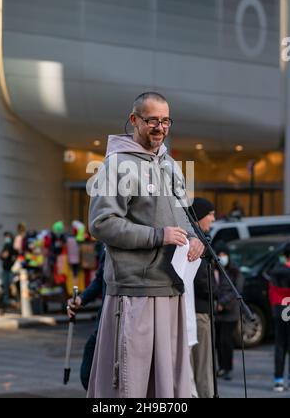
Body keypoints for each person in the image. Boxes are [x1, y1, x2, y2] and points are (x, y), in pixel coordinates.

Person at [87, 92, 204, 398]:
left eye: (165, 120)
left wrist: (194, 239)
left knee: (168, 388)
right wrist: (158, 236)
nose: (159, 127)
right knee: (130, 386)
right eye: (151, 119)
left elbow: (184, 215)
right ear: (134, 120)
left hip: (172, 287)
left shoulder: (170, 164)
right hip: (134, 291)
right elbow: (102, 224)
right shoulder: (116, 165)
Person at [67, 245, 106, 391]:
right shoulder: (106, 246)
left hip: (126, 318)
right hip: (104, 319)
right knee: (88, 374)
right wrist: (81, 299)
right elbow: (99, 280)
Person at [189, 197, 217, 398]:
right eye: (210, 214)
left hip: (195, 311)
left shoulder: (198, 238)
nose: (213, 219)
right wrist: (215, 290)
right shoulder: (196, 242)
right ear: (199, 217)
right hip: (198, 313)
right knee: (203, 367)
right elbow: (201, 280)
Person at [214, 242, 244, 381]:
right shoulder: (214, 270)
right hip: (217, 312)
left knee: (226, 340)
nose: (222, 257)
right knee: (219, 341)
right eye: (219, 255)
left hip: (230, 312)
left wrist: (223, 303)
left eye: (224, 254)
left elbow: (236, 291)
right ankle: (221, 367)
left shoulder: (235, 271)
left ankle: (228, 368)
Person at [269, 244, 290, 393]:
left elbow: (272, 292)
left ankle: (278, 380)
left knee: (280, 346)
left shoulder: (275, 271)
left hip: (279, 310)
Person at [0, 232, 17, 307]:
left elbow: (10, 256)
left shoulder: (13, 246)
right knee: (5, 285)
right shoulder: (5, 246)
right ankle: (6, 300)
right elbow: (2, 256)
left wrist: (5, 255)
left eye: (7, 237)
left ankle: (16, 300)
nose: (6, 238)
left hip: (11, 269)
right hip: (5, 269)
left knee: (12, 284)